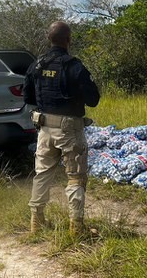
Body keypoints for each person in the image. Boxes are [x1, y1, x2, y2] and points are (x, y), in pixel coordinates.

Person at [23, 21, 100, 234]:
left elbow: (28, 96)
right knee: (75, 176)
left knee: (42, 174)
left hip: (44, 128)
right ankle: (77, 227)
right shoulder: (74, 66)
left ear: (49, 39)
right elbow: (93, 100)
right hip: (69, 129)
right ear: (69, 40)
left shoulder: (37, 65)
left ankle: (36, 222)